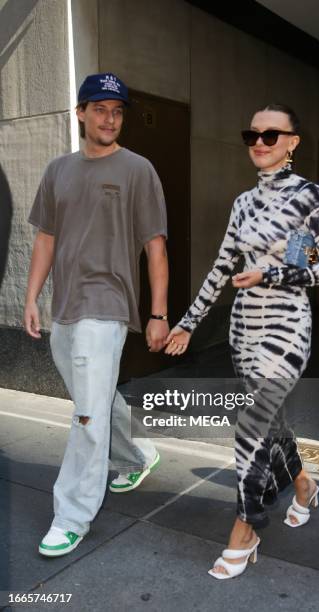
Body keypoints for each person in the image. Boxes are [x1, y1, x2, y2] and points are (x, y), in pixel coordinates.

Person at [165, 103, 319, 579]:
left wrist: (274, 272)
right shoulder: (242, 203)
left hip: (287, 327)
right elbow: (221, 268)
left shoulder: (310, 195)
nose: (260, 143)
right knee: (271, 423)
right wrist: (187, 322)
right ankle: (303, 484)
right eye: (253, 135)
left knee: (250, 425)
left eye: (271, 135)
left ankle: (246, 529)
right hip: (243, 328)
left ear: (293, 142)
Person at [24, 73, 169, 557]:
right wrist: (32, 297)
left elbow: (155, 247)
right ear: (80, 113)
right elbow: (46, 237)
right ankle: (139, 453)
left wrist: (159, 313)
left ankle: (72, 514)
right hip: (66, 305)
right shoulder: (58, 170)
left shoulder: (137, 169)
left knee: (85, 415)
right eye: (100, 108)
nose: (110, 118)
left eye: (118, 110)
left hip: (106, 306)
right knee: (97, 400)